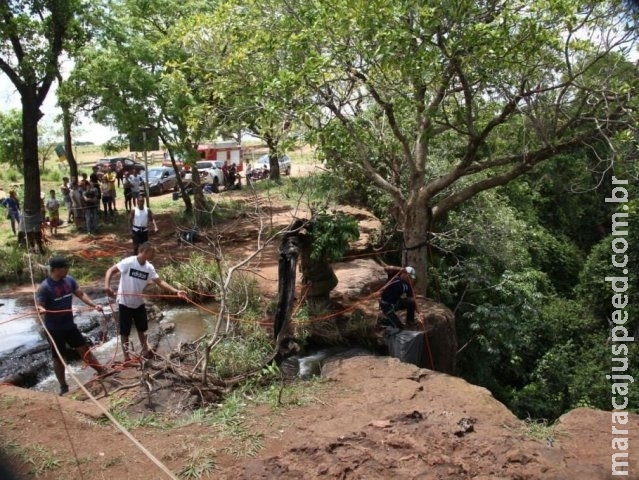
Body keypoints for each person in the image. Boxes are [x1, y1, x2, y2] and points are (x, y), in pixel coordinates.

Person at [36, 255, 109, 395]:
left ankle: (101, 370)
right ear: (56, 269)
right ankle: (64, 386)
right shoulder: (44, 287)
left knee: (83, 348)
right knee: (58, 358)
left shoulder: (69, 280)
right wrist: (41, 310)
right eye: (65, 267)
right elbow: (39, 306)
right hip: (54, 329)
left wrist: (95, 305)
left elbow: (81, 294)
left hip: (69, 325)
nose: (67, 269)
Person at [104, 242, 187, 362]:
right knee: (125, 331)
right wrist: (107, 286)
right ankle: (127, 357)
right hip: (124, 302)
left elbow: (160, 282)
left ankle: (145, 351)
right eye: (152, 252)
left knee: (141, 329)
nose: (154, 255)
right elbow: (110, 271)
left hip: (138, 302)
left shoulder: (149, 267)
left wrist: (176, 291)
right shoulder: (129, 262)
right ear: (144, 251)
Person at [379, 265, 419, 330]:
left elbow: (412, 298)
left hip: (395, 303)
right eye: (409, 276)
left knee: (411, 302)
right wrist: (401, 269)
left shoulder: (407, 285)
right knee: (398, 327)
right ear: (405, 273)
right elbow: (386, 268)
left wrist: (419, 313)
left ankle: (410, 322)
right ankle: (381, 321)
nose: (410, 279)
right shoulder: (394, 277)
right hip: (386, 305)